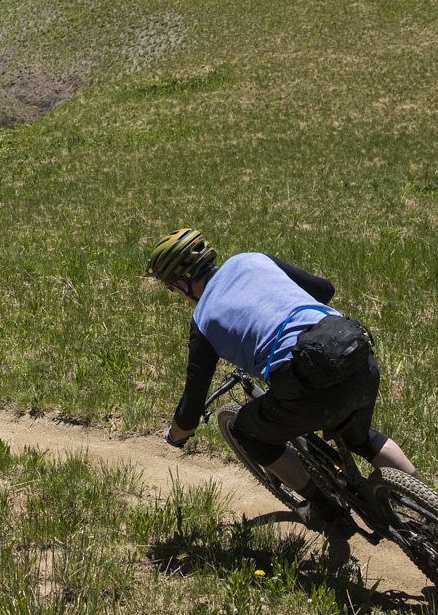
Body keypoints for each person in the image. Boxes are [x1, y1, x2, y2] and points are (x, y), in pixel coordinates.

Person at [150, 227, 417, 536]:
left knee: (247, 432)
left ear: (182, 282)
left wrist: (177, 436)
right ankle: (431, 511)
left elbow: (192, 407)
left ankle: (327, 511)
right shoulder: (251, 260)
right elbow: (324, 289)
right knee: (361, 438)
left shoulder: (203, 320)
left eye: (172, 288)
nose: (177, 295)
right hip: (355, 352)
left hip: (307, 383)